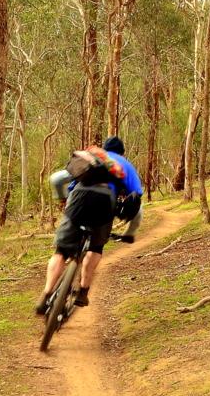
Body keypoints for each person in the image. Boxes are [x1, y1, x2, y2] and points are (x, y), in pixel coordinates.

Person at [38, 135, 143, 314]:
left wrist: (63, 200)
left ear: (104, 148)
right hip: (105, 204)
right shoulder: (124, 166)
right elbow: (137, 199)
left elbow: (56, 179)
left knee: (61, 252)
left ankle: (46, 294)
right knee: (95, 249)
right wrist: (130, 232)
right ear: (122, 153)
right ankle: (83, 291)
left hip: (78, 199)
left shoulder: (92, 158)